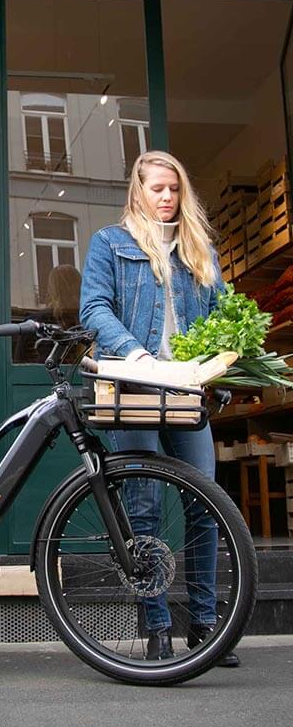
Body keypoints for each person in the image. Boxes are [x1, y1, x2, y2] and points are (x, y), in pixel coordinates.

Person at [79, 150, 240, 667]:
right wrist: (135, 353)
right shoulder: (111, 242)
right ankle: (157, 627)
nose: (167, 198)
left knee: (206, 506)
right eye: (157, 189)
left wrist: (223, 371)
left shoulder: (200, 250)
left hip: (188, 389)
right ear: (139, 191)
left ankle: (205, 625)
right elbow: (94, 308)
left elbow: (223, 315)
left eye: (174, 189)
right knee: (144, 507)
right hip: (135, 387)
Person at [14, 264, 81, 363]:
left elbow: (19, 361)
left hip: (38, 376)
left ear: (51, 289)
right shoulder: (85, 321)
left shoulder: (35, 322)